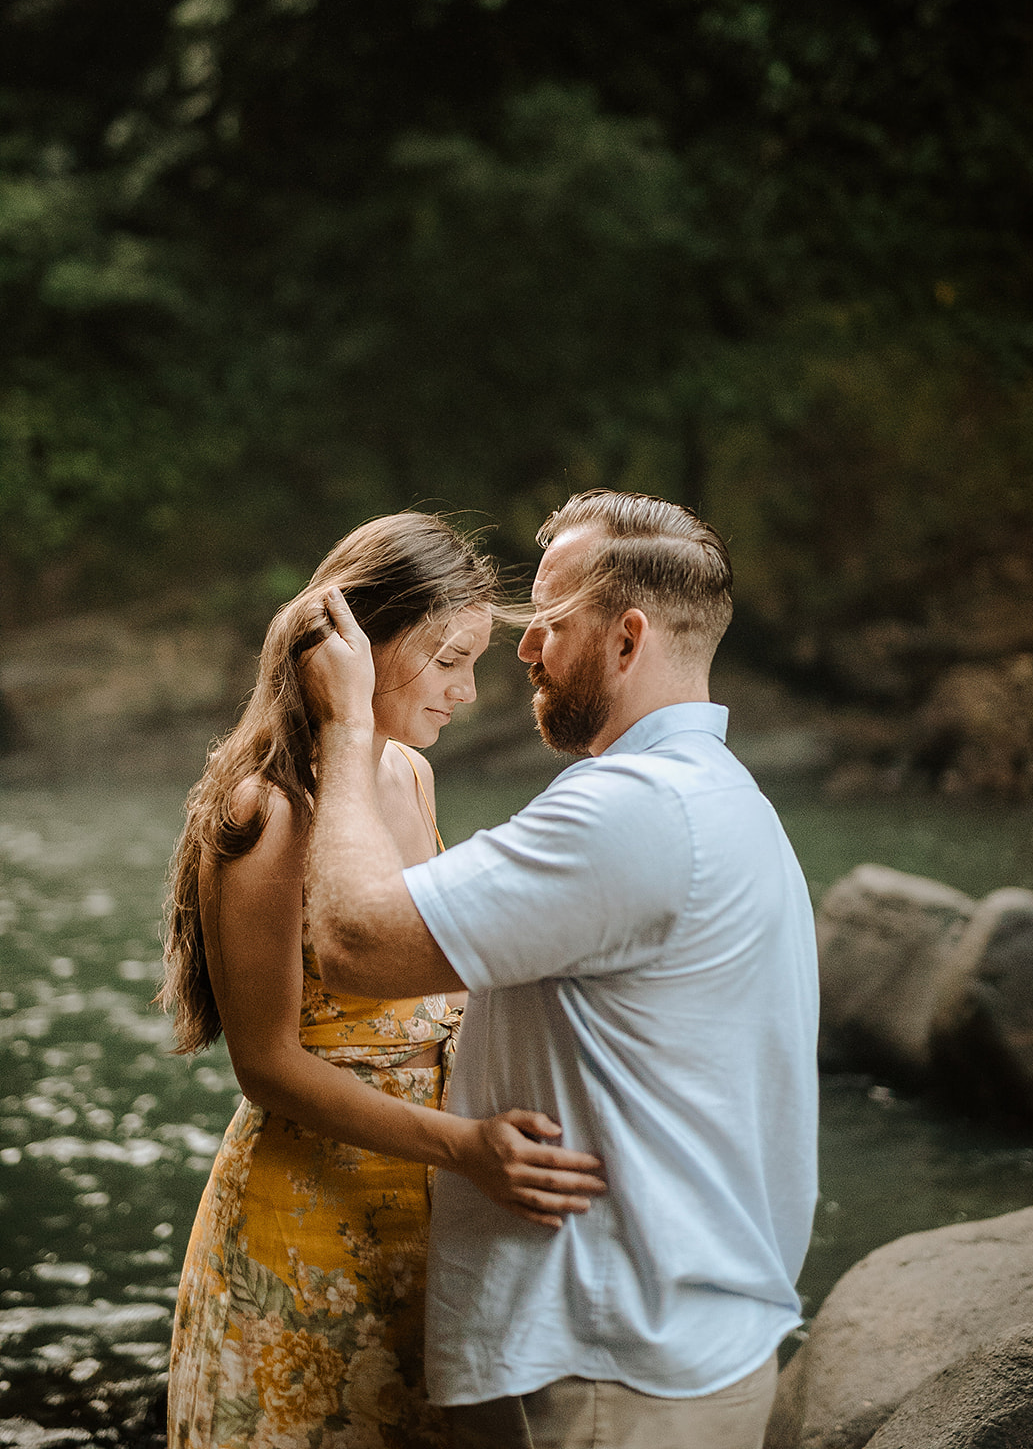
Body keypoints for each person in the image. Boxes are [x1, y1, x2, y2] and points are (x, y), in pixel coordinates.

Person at [300, 489, 821, 1449]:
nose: (524, 650)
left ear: (626, 639)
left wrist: (343, 732)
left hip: (605, 1374)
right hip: (687, 1350)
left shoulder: (631, 813)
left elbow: (357, 944)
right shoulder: (729, 800)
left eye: (546, 623)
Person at [158, 512, 606, 1449]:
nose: (468, 692)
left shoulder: (406, 775)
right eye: (447, 659)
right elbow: (268, 1065)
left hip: (436, 1205)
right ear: (361, 645)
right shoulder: (267, 810)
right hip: (309, 1223)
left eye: (475, 660)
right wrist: (466, 1146)